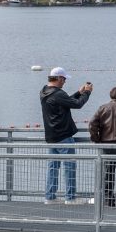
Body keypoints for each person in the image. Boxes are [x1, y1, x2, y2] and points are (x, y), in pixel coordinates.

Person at [40, 67, 93, 204]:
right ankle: (70, 197)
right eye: (63, 79)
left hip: (51, 137)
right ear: (58, 78)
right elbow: (77, 104)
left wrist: (78, 92)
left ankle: (50, 197)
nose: (64, 82)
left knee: (53, 167)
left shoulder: (44, 91)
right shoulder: (58, 93)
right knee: (69, 167)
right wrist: (87, 93)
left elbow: (65, 102)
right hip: (64, 136)